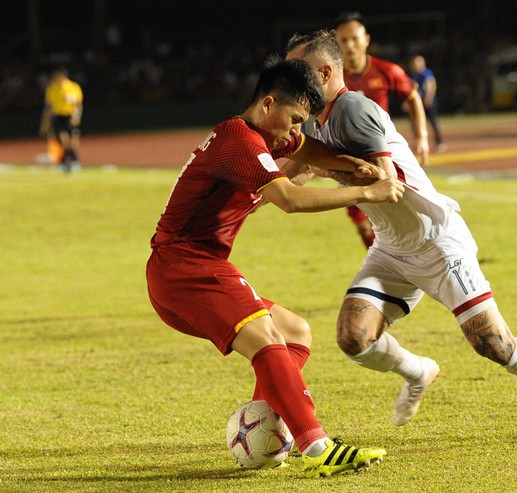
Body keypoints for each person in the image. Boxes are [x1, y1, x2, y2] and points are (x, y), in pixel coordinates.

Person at [285, 30, 517, 440]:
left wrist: (322, 167)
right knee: (354, 337)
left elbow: (386, 182)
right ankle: (418, 371)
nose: (291, 80)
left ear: (325, 72)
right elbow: (292, 170)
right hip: (391, 248)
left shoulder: (353, 109)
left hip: (436, 242)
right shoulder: (317, 118)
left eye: (299, 71)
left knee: (494, 344)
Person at [146, 59, 403, 478]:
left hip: (189, 269)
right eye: (294, 119)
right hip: (184, 266)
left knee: (295, 332)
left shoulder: (266, 135)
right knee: (266, 336)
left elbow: (308, 150)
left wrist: (347, 163)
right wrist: (367, 192)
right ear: (268, 104)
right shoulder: (240, 141)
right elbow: (290, 199)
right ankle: (316, 445)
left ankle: (259, 427)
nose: (295, 131)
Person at [335, 11, 430, 249]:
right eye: (343, 40)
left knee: (399, 219)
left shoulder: (387, 70)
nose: (350, 45)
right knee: (364, 225)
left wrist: (422, 136)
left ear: (366, 39)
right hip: (347, 162)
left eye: (354, 39)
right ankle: (386, 267)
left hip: (382, 157)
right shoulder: (332, 77)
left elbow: (412, 97)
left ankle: (405, 266)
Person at [39, 68, 83, 172]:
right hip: (59, 116)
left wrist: (76, 116)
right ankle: (65, 161)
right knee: (64, 140)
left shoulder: (72, 87)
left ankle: (73, 160)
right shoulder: (51, 89)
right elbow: (48, 107)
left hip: (70, 115)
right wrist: (45, 123)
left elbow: (77, 104)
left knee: (74, 140)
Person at [408, 54, 445, 151]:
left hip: (427, 100)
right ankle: (418, 142)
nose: (415, 65)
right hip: (418, 102)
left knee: (433, 121)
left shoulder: (426, 73)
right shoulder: (414, 75)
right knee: (416, 122)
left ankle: (439, 142)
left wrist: (429, 97)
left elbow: (431, 84)